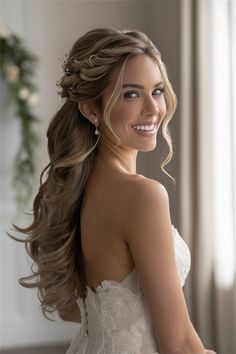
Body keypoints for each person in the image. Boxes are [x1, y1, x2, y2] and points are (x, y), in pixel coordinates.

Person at [12, 27, 216, 354]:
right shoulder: (143, 195)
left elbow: (72, 308)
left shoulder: (77, 188)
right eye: (131, 94)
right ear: (91, 108)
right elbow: (177, 344)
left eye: (158, 90)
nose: (153, 109)